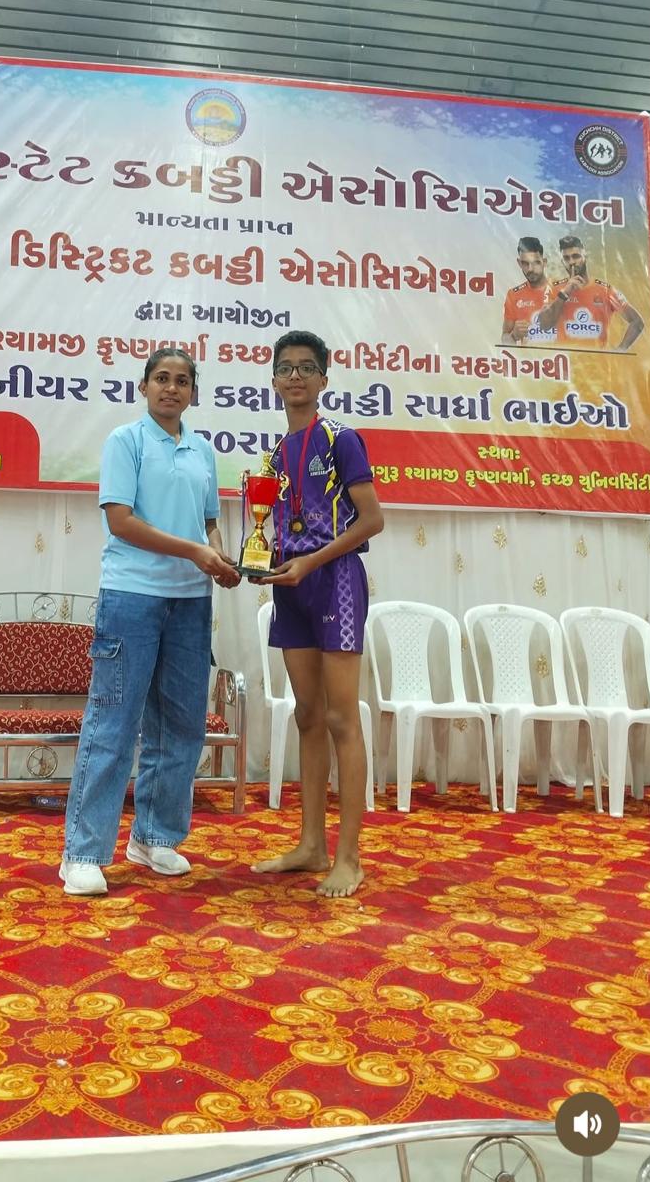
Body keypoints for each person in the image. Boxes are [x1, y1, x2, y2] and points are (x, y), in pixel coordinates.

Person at [61, 348, 241, 897]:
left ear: (193, 392)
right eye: (161, 378)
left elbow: (209, 521)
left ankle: (154, 837)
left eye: (182, 381)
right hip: (132, 596)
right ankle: (82, 853)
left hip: (191, 601)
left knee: (181, 726)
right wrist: (195, 551)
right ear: (143, 387)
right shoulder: (126, 441)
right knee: (113, 724)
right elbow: (122, 522)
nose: (171, 388)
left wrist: (219, 556)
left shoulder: (202, 451)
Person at [251, 330, 383, 899]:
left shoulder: (342, 439)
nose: (296, 376)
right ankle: (311, 845)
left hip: (336, 584)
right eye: (287, 368)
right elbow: (277, 526)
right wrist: (264, 563)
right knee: (307, 714)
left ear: (324, 379)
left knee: (340, 718)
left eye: (307, 367)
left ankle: (349, 857)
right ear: (274, 381)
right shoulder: (275, 455)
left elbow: (372, 520)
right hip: (292, 586)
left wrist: (312, 561)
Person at [529, 235, 644, 352]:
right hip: (566, 360)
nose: (572, 262)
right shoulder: (554, 288)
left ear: (585, 257)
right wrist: (565, 293)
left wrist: (620, 350)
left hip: (597, 361)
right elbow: (544, 325)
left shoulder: (605, 290)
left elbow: (637, 322)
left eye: (576, 256)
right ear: (562, 261)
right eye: (566, 258)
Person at [500, 237, 552, 346]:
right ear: (519, 263)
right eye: (525, 263)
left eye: (536, 263)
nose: (530, 269)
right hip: (530, 357)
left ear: (544, 262)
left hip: (563, 355)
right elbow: (505, 339)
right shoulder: (513, 295)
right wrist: (513, 336)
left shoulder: (562, 289)